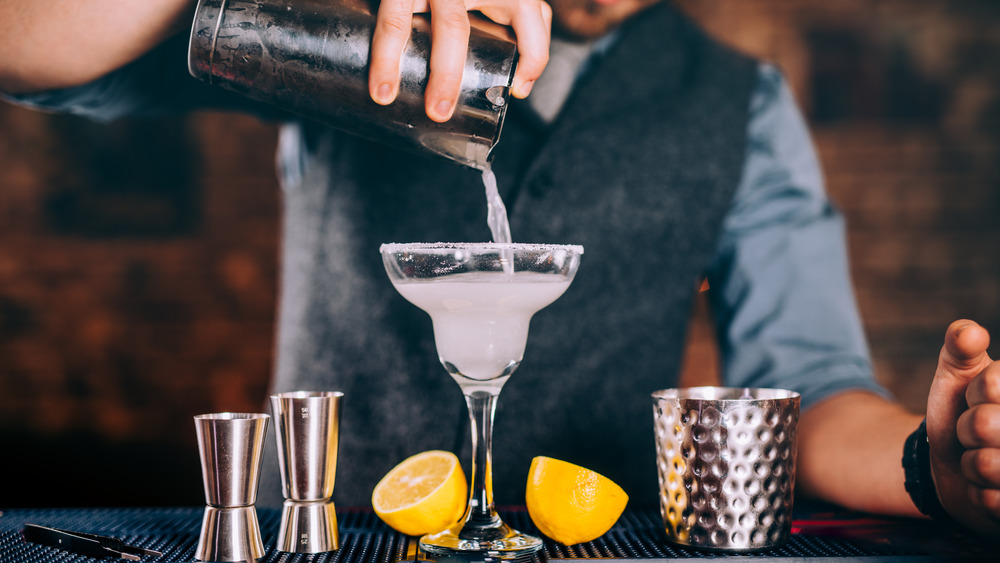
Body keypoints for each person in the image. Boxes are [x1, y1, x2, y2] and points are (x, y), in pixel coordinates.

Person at [2, 0, 999, 538]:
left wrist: (929, 463)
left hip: (602, 544)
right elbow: (28, 42)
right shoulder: (359, 22)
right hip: (320, 539)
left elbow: (812, 385)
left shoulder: (743, 102)